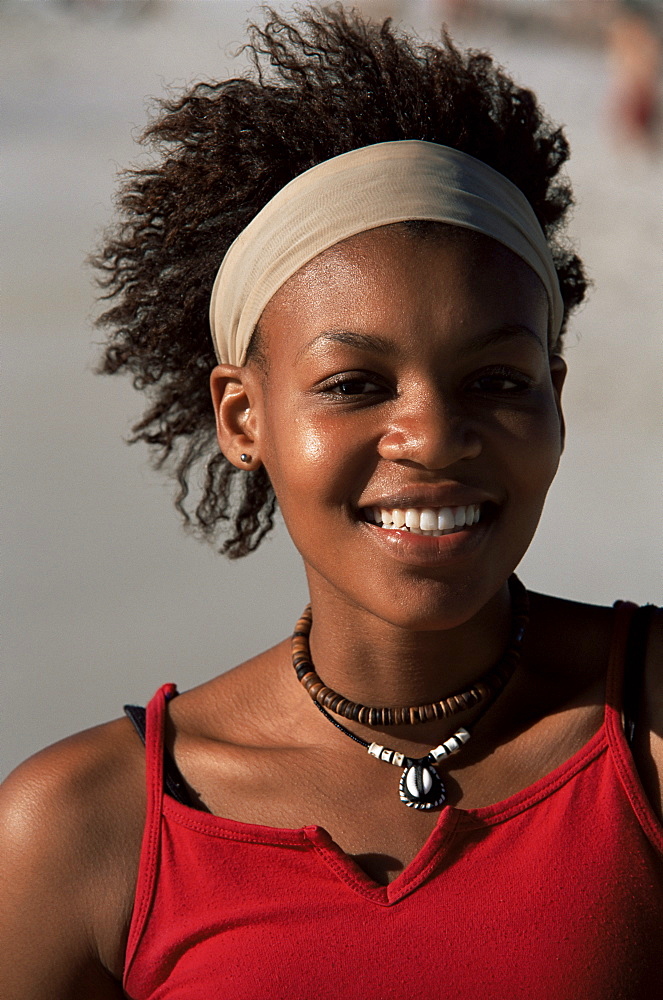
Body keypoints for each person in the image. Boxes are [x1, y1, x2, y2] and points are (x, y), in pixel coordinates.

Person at [1, 7, 661, 998]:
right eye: (356, 383)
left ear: (556, 398)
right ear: (241, 415)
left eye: (498, 380)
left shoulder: (647, 737)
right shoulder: (87, 834)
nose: (432, 436)